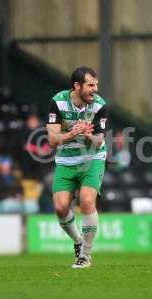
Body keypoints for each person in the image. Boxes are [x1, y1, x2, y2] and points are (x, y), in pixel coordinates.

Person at [47, 66, 107, 268]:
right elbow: (53, 140)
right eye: (91, 85)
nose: (95, 89)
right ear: (77, 86)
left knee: (87, 201)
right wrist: (72, 134)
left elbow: (100, 140)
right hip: (66, 159)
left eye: (96, 85)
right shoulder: (58, 102)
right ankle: (78, 241)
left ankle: (85, 256)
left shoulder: (100, 105)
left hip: (92, 158)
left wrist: (90, 136)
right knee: (60, 207)